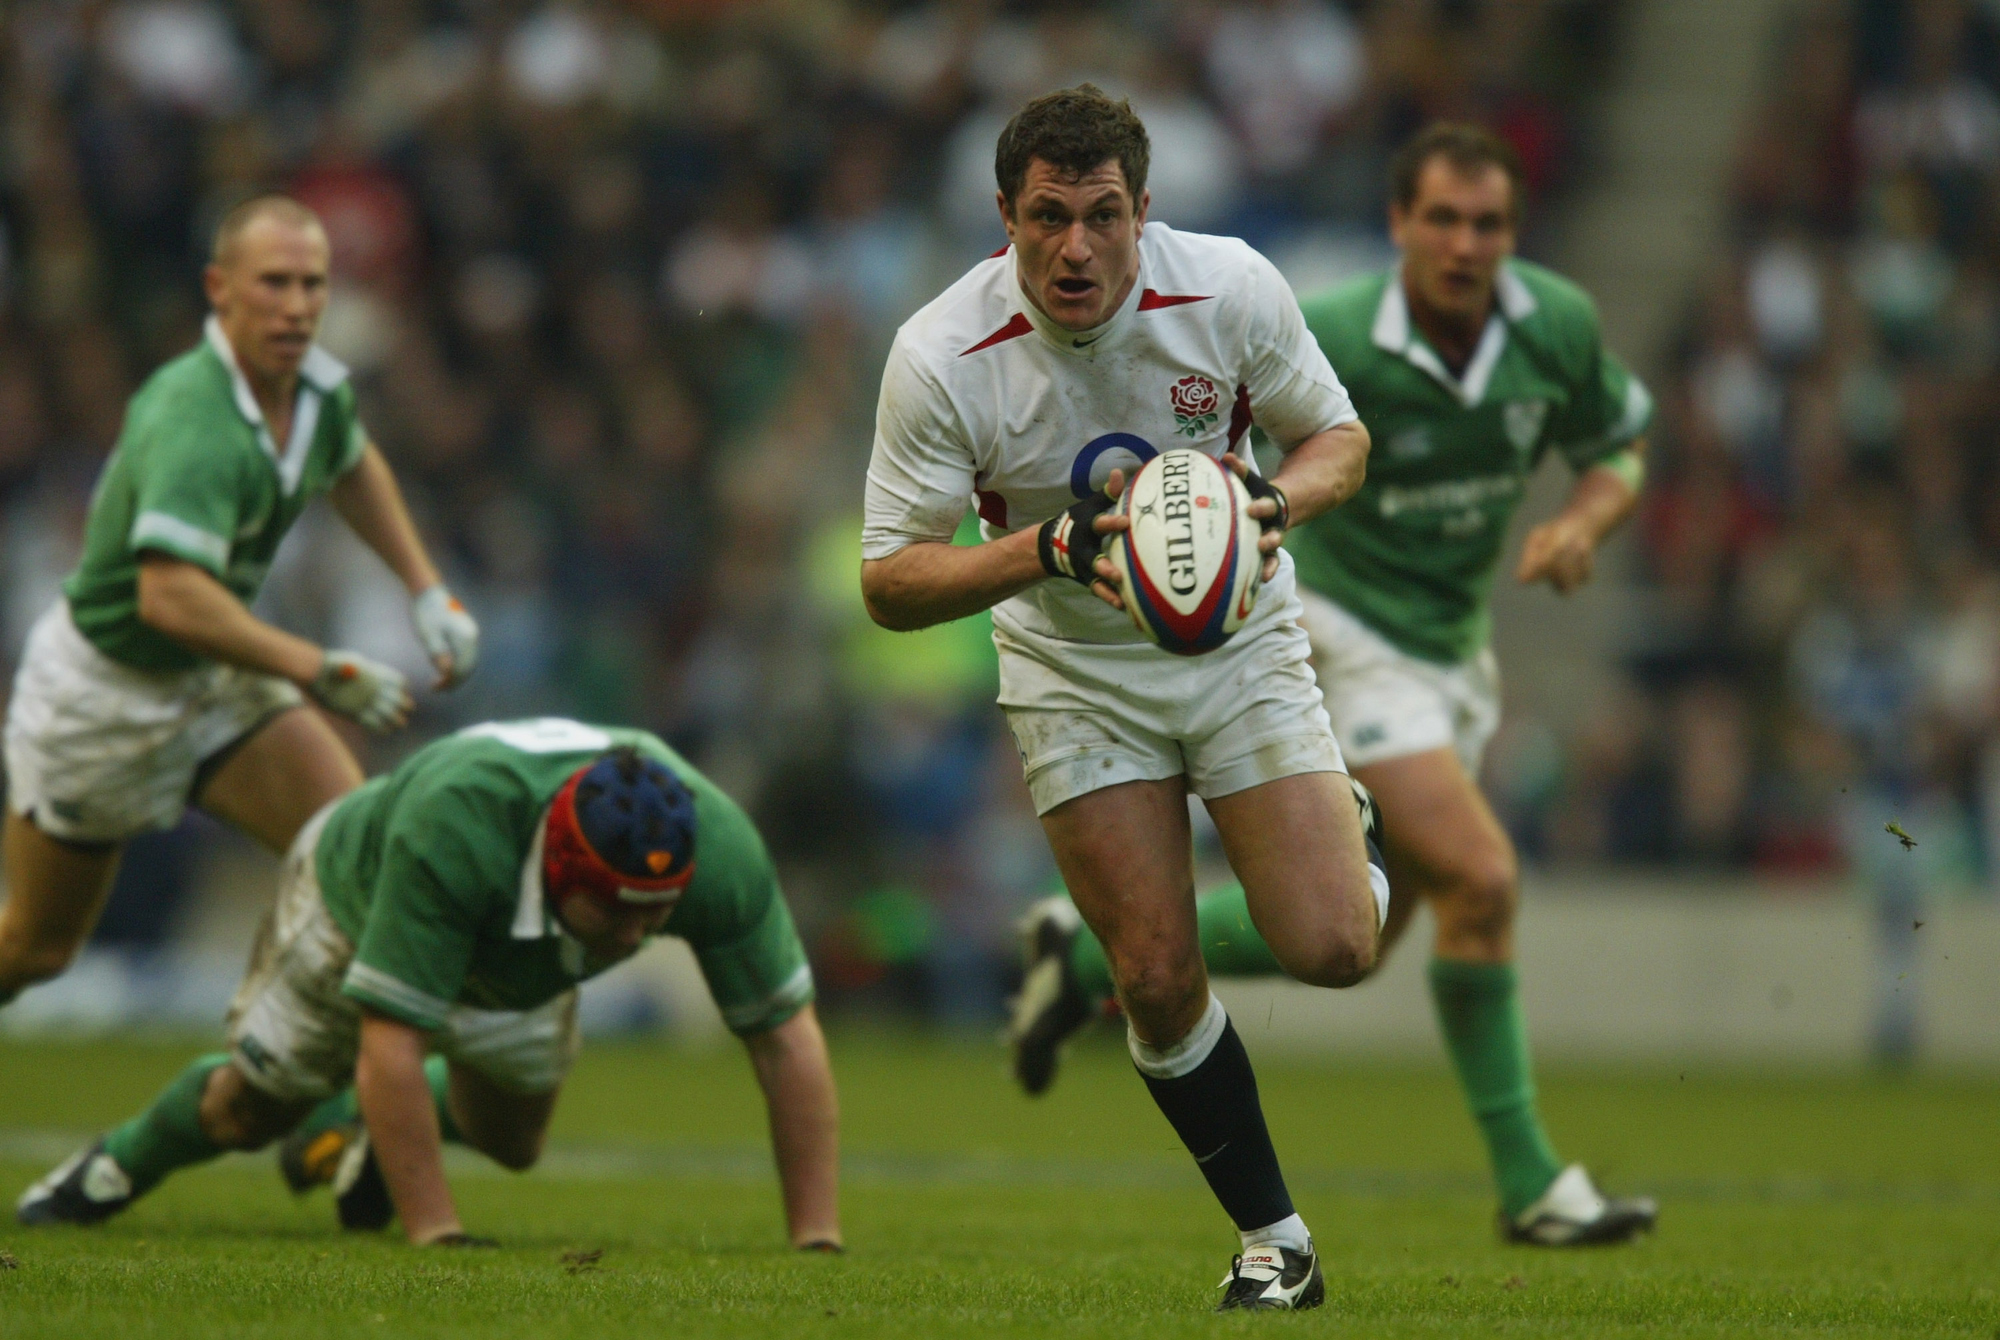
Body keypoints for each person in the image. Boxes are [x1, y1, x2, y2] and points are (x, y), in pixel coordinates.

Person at [1008, 124, 1658, 1247]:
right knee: (1482, 877)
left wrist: (1578, 521)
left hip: (1452, 648)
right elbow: (1288, 445)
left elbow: (1619, 446)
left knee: (1360, 934)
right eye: (1440, 220)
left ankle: (1080, 951)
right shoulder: (1341, 330)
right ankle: (1533, 1185)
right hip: (1339, 633)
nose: (1463, 245)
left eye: (1487, 223)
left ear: (1513, 232)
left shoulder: (1554, 324)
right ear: (1398, 224)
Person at [861, 85, 1383, 1311]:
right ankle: (1275, 1241)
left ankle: (1340, 824)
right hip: (1071, 669)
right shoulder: (939, 353)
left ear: (1144, 211)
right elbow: (890, 581)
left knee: (1333, 945)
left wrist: (1273, 505)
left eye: (1102, 215)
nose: (1074, 247)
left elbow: (1338, 441)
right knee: (1150, 972)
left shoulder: (1233, 287)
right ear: (1004, 215)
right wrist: (1046, 549)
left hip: (1239, 639)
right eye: (1047, 216)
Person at [17, 717, 842, 1251]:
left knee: (513, 1143)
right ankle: (110, 1168)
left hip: (523, 949)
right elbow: (392, 1037)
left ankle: (363, 1126)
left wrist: (816, 1239)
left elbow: (786, 1037)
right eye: (616, 912)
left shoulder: (719, 855)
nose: (632, 938)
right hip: (356, 898)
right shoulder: (457, 822)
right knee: (249, 1109)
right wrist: (438, 1234)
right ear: (561, 864)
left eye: (653, 916)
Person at [0, 195, 478, 1007]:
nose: (295, 307)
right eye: (273, 284)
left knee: (365, 863)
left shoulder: (316, 390)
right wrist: (316, 668)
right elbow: (168, 597)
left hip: (214, 679)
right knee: (38, 948)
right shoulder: (195, 418)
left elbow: (352, 463)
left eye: (311, 285)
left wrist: (425, 587)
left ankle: (318, 1094)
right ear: (219, 289)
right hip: (104, 696)